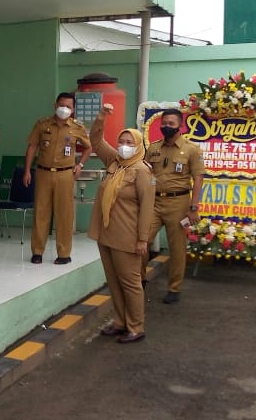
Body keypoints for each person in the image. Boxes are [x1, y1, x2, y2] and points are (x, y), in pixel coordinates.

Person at [88, 104, 155, 343]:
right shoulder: (114, 162)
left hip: (127, 236)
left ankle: (136, 327)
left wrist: (142, 239)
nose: (124, 146)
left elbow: (148, 207)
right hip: (106, 232)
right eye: (121, 141)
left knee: (131, 283)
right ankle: (119, 322)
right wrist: (101, 118)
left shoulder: (142, 171)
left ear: (138, 146)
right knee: (113, 280)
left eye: (129, 142)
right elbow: (95, 141)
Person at [23, 92, 92, 264]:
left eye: (68, 106)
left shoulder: (77, 127)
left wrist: (80, 165)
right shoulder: (42, 124)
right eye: (61, 105)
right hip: (43, 172)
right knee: (41, 212)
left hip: (65, 174)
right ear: (55, 105)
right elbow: (32, 147)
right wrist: (27, 171)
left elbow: (88, 148)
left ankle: (64, 254)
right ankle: (37, 252)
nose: (64, 109)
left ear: (73, 109)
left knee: (64, 214)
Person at [145, 108, 205, 304]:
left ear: (180, 126)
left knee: (177, 248)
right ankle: (138, 280)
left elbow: (198, 179)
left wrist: (193, 208)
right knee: (141, 241)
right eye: (164, 123)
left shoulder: (191, 149)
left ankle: (174, 288)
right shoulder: (153, 148)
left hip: (179, 204)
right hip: (153, 202)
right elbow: (143, 174)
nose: (166, 127)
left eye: (171, 124)